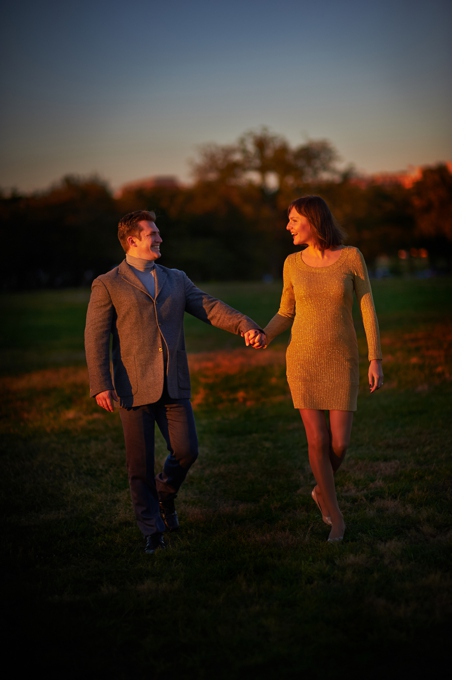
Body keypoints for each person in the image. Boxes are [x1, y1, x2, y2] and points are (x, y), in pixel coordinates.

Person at [85, 210, 265, 554]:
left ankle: (164, 495)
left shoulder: (176, 278)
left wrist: (245, 325)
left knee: (187, 450)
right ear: (132, 240)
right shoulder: (107, 283)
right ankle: (151, 530)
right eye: (153, 233)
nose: (160, 238)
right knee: (139, 465)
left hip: (174, 383)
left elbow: (209, 307)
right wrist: (100, 383)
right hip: (131, 388)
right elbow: (95, 337)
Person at [259, 196, 383, 543]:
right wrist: (265, 334)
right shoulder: (291, 264)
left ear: (314, 220)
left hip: (342, 359)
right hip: (302, 360)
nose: (288, 226)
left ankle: (320, 491)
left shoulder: (351, 257)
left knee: (340, 443)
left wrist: (376, 358)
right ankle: (337, 517)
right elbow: (286, 311)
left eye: (294, 220)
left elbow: (367, 309)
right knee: (317, 440)